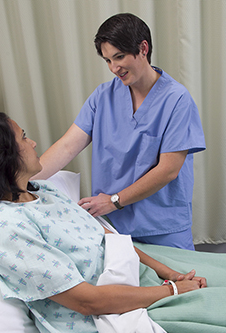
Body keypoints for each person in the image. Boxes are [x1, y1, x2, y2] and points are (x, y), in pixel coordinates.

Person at [0, 112, 208, 333]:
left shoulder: (44, 191)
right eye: (24, 138)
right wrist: (172, 290)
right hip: (103, 322)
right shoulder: (5, 228)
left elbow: (107, 237)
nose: (34, 143)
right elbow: (87, 301)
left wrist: (169, 273)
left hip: (137, 282)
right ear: (2, 156)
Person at [37, 13, 206, 250]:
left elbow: (169, 169)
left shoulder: (177, 100)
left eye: (119, 57)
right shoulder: (103, 97)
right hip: (114, 224)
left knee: (184, 283)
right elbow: (67, 146)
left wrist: (115, 201)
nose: (114, 68)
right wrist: (21, 181)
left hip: (162, 225)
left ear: (143, 48)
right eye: (107, 60)